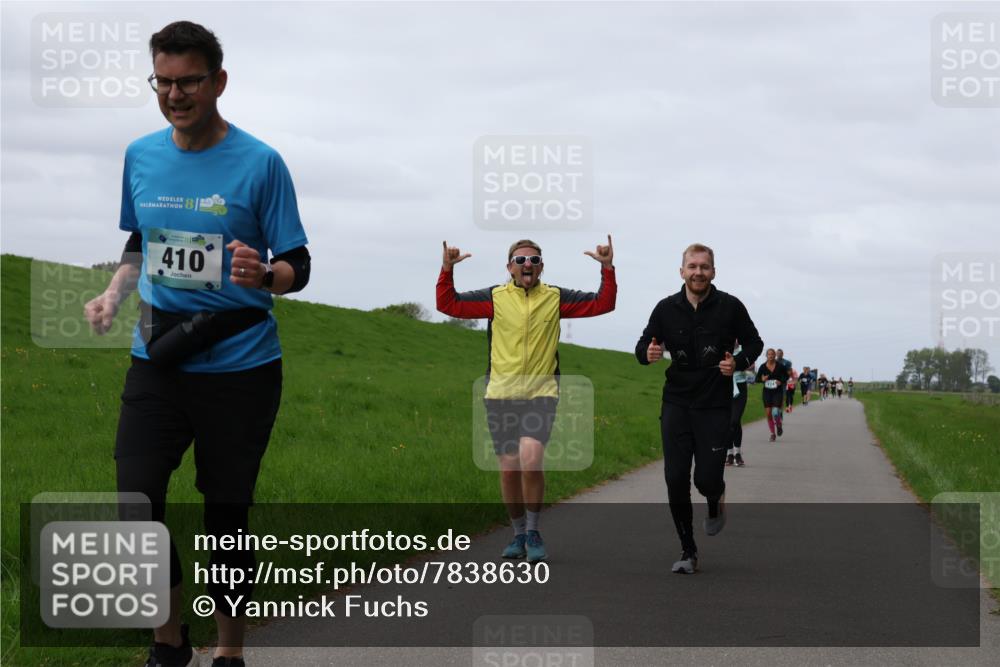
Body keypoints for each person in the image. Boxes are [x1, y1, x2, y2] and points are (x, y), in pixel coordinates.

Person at [83, 21, 310, 667]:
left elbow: (299, 260)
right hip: (158, 354)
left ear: (218, 82)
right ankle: (168, 640)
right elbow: (140, 242)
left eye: (189, 81)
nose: (175, 94)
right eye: (164, 81)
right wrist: (113, 293)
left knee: (226, 515)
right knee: (137, 499)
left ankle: (230, 653)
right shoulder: (141, 155)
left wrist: (266, 274)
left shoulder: (261, 162)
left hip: (241, 366)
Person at [437, 237, 616, 563]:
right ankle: (517, 535)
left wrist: (607, 268)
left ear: (541, 266)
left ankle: (533, 531)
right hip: (500, 394)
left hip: (541, 393)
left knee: (531, 459)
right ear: (509, 268)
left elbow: (602, 304)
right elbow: (449, 305)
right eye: (520, 260)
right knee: (508, 469)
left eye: (533, 259)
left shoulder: (556, 298)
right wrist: (447, 269)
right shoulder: (494, 298)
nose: (527, 265)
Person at [636, 243, 762, 575]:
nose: (698, 272)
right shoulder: (666, 309)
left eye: (704, 267)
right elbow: (644, 342)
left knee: (706, 479)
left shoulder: (730, 307)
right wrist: (646, 353)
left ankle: (715, 496)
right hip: (676, 402)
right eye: (692, 266)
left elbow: (754, 342)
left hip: (714, 404)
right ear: (682, 272)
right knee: (675, 478)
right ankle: (688, 550)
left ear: (713, 272)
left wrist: (738, 362)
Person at [726, 345, 753, 467]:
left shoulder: (743, 350)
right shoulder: (722, 346)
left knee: (735, 420)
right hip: (724, 386)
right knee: (726, 422)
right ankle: (729, 454)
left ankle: (737, 452)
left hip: (740, 386)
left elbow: (751, 365)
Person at [756, 349, 789, 442]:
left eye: (772, 354)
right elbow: (757, 379)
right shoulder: (762, 367)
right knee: (768, 413)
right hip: (767, 392)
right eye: (769, 354)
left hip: (777, 391)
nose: (770, 356)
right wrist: (762, 379)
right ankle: (772, 434)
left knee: (775, 411)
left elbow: (786, 376)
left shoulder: (780, 366)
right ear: (766, 356)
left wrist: (780, 381)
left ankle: (778, 424)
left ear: (775, 356)